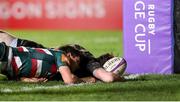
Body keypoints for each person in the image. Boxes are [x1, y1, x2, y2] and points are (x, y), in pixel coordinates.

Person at [0, 30, 124, 83]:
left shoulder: (73, 59)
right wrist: (121, 79)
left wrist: (25, 79)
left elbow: (57, 50)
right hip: (20, 52)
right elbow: (109, 78)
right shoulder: (88, 61)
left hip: (20, 59)